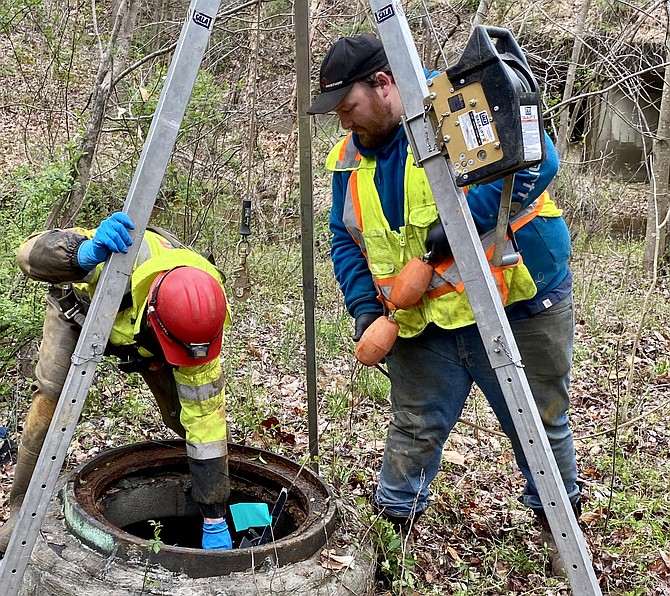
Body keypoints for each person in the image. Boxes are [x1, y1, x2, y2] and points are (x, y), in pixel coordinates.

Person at [308, 34, 581, 575]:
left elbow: (536, 161)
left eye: (349, 108)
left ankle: (562, 535)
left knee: (540, 423)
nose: (344, 124)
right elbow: (345, 236)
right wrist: (365, 310)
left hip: (518, 302)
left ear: (384, 84)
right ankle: (390, 541)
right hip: (424, 320)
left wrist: (444, 239)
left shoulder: (454, 105)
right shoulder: (346, 156)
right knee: (413, 427)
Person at [0, 212, 233, 554]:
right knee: (51, 399)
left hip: (149, 341)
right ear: (154, 315)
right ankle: (20, 512)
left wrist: (214, 515)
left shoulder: (201, 314)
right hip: (79, 315)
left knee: (189, 418)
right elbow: (28, 254)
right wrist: (82, 254)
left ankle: (213, 506)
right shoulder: (119, 254)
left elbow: (206, 420)